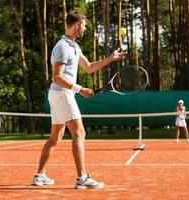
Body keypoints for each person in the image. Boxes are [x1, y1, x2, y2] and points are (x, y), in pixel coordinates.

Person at [32, 11, 126, 189]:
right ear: (76, 26)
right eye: (83, 25)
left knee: (55, 137)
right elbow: (56, 77)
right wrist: (79, 89)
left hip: (60, 94)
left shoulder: (74, 46)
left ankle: (40, 175)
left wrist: (111, 59)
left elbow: (89, 67)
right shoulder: (63, 47)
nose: (85, 28)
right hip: (62, 93)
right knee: (79, 133)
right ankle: (82, 178)